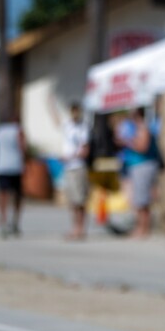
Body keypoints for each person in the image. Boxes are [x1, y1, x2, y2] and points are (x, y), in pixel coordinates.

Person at [114, 107, 160, 238]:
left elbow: (142, 147)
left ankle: (143, 228)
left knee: (142, 199)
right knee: (139, 199)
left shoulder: (143, 127)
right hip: (136, 166)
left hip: (143, 165)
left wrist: (127, 142)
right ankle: (141, 227)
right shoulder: (136, 127)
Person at [60, 102, 91, 240]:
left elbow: (85, 150)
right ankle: (75, 228)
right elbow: (55, 120)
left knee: (80, 200)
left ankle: (81, 228)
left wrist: (71, 157)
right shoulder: (68, 126)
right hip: (69, 167)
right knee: (72, 200)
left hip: (78, 166)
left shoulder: (83, 128)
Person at [0, 113, 26, 238]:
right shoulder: (18, 130)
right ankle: (15, 222)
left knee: (3, 196)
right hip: (15, 166)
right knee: (17, 196)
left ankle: (3, 223)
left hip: (1, 166)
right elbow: (22, 147)